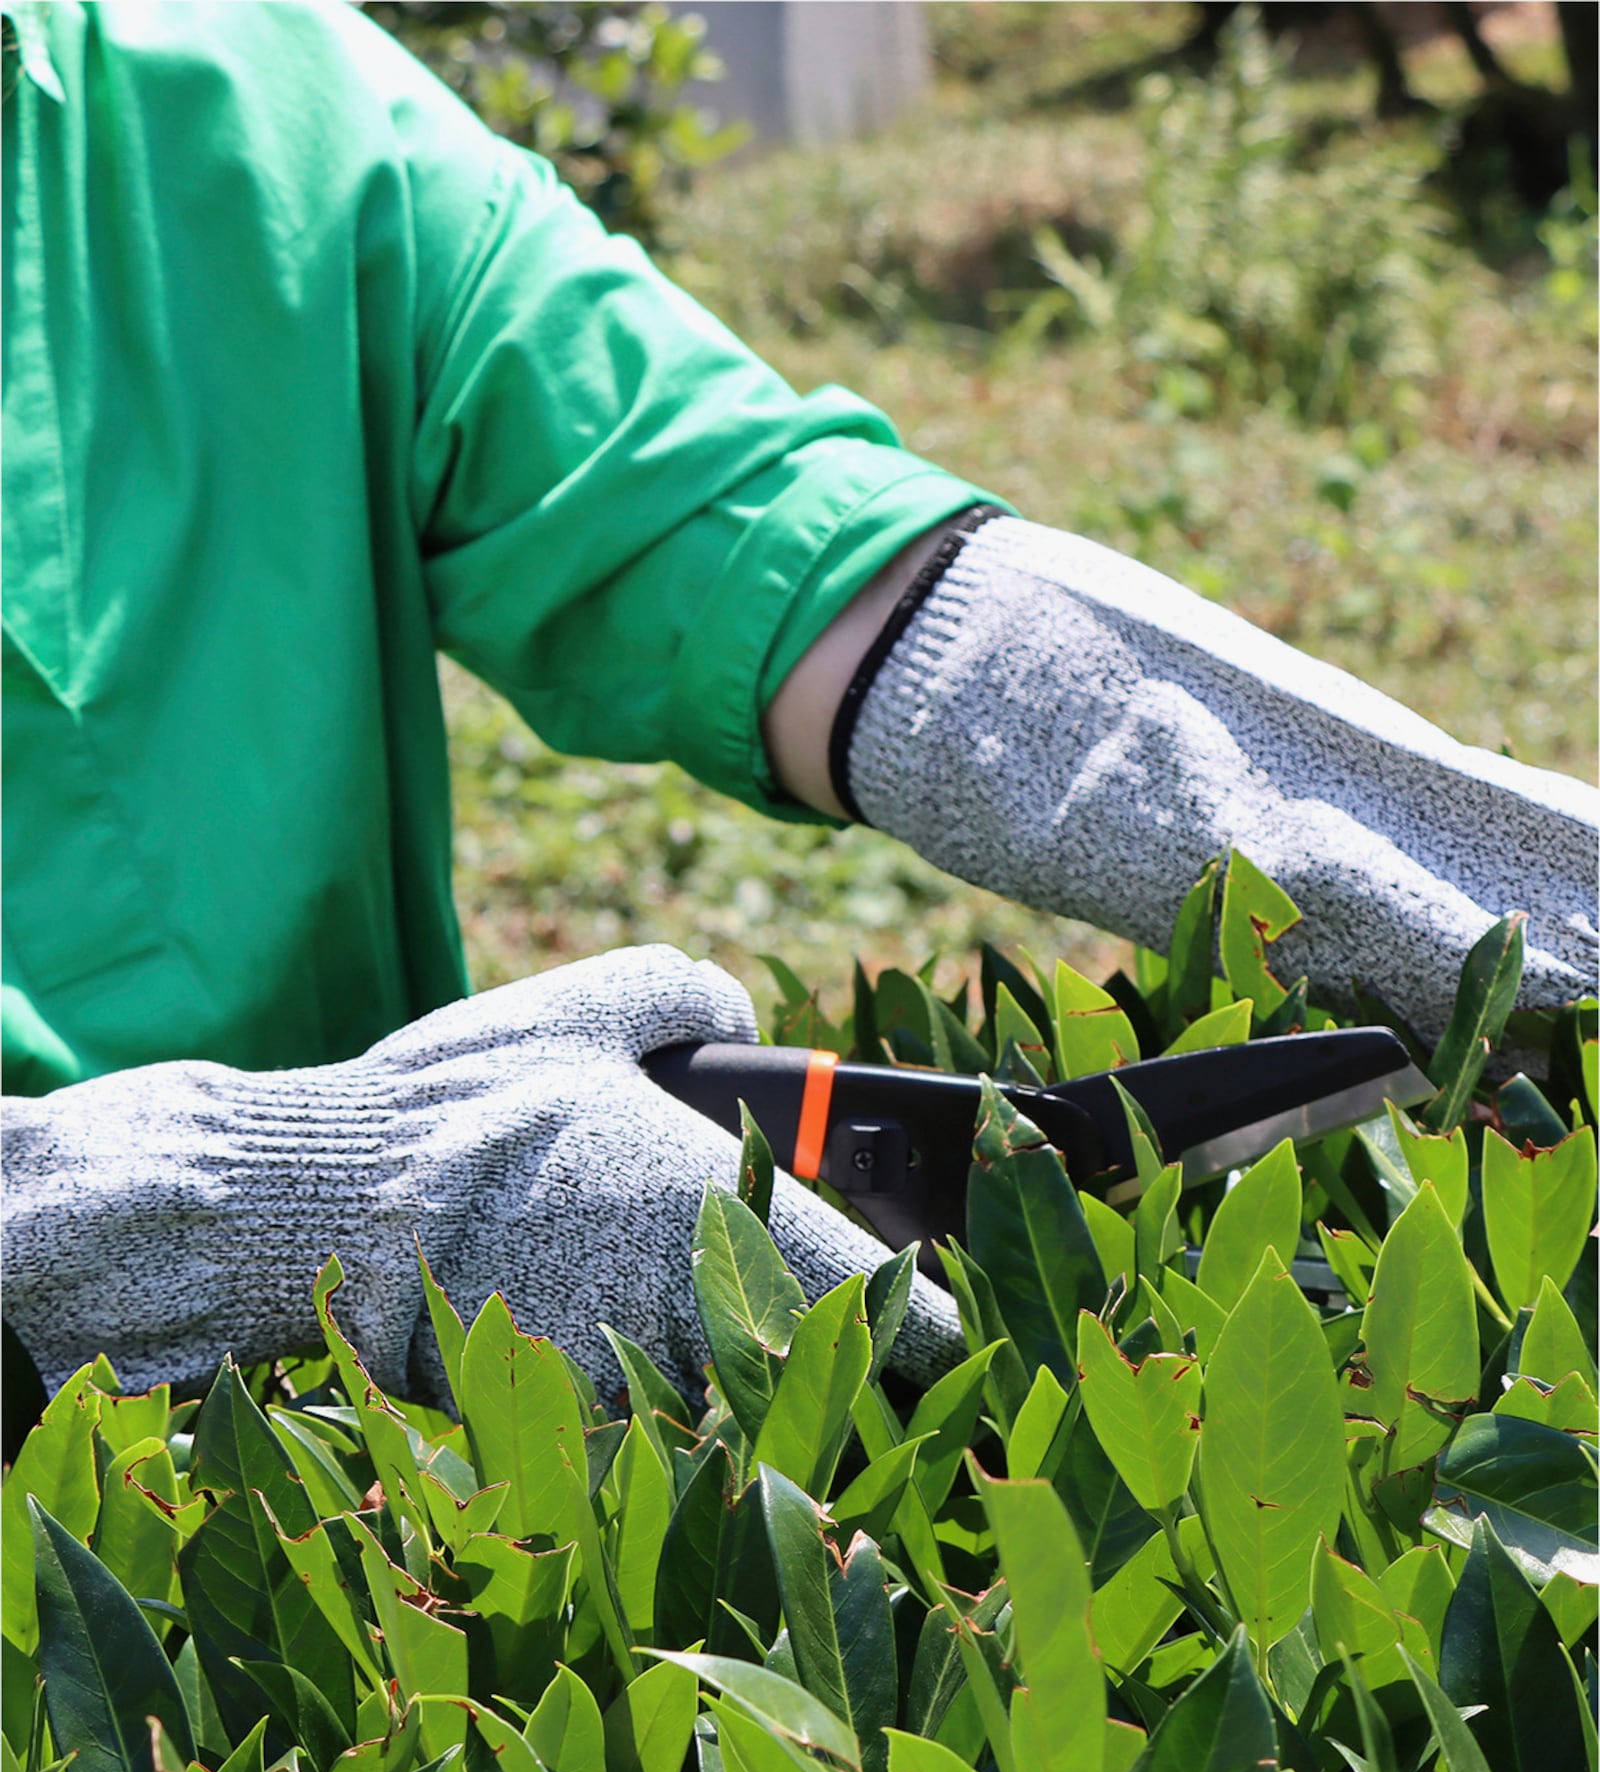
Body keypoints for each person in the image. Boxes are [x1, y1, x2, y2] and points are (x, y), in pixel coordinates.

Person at [4, 0, 1595, 1418]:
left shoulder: (229, 95)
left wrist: (1498, 885)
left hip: (376, 1452)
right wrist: (295, 1205)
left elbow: (799, 564)